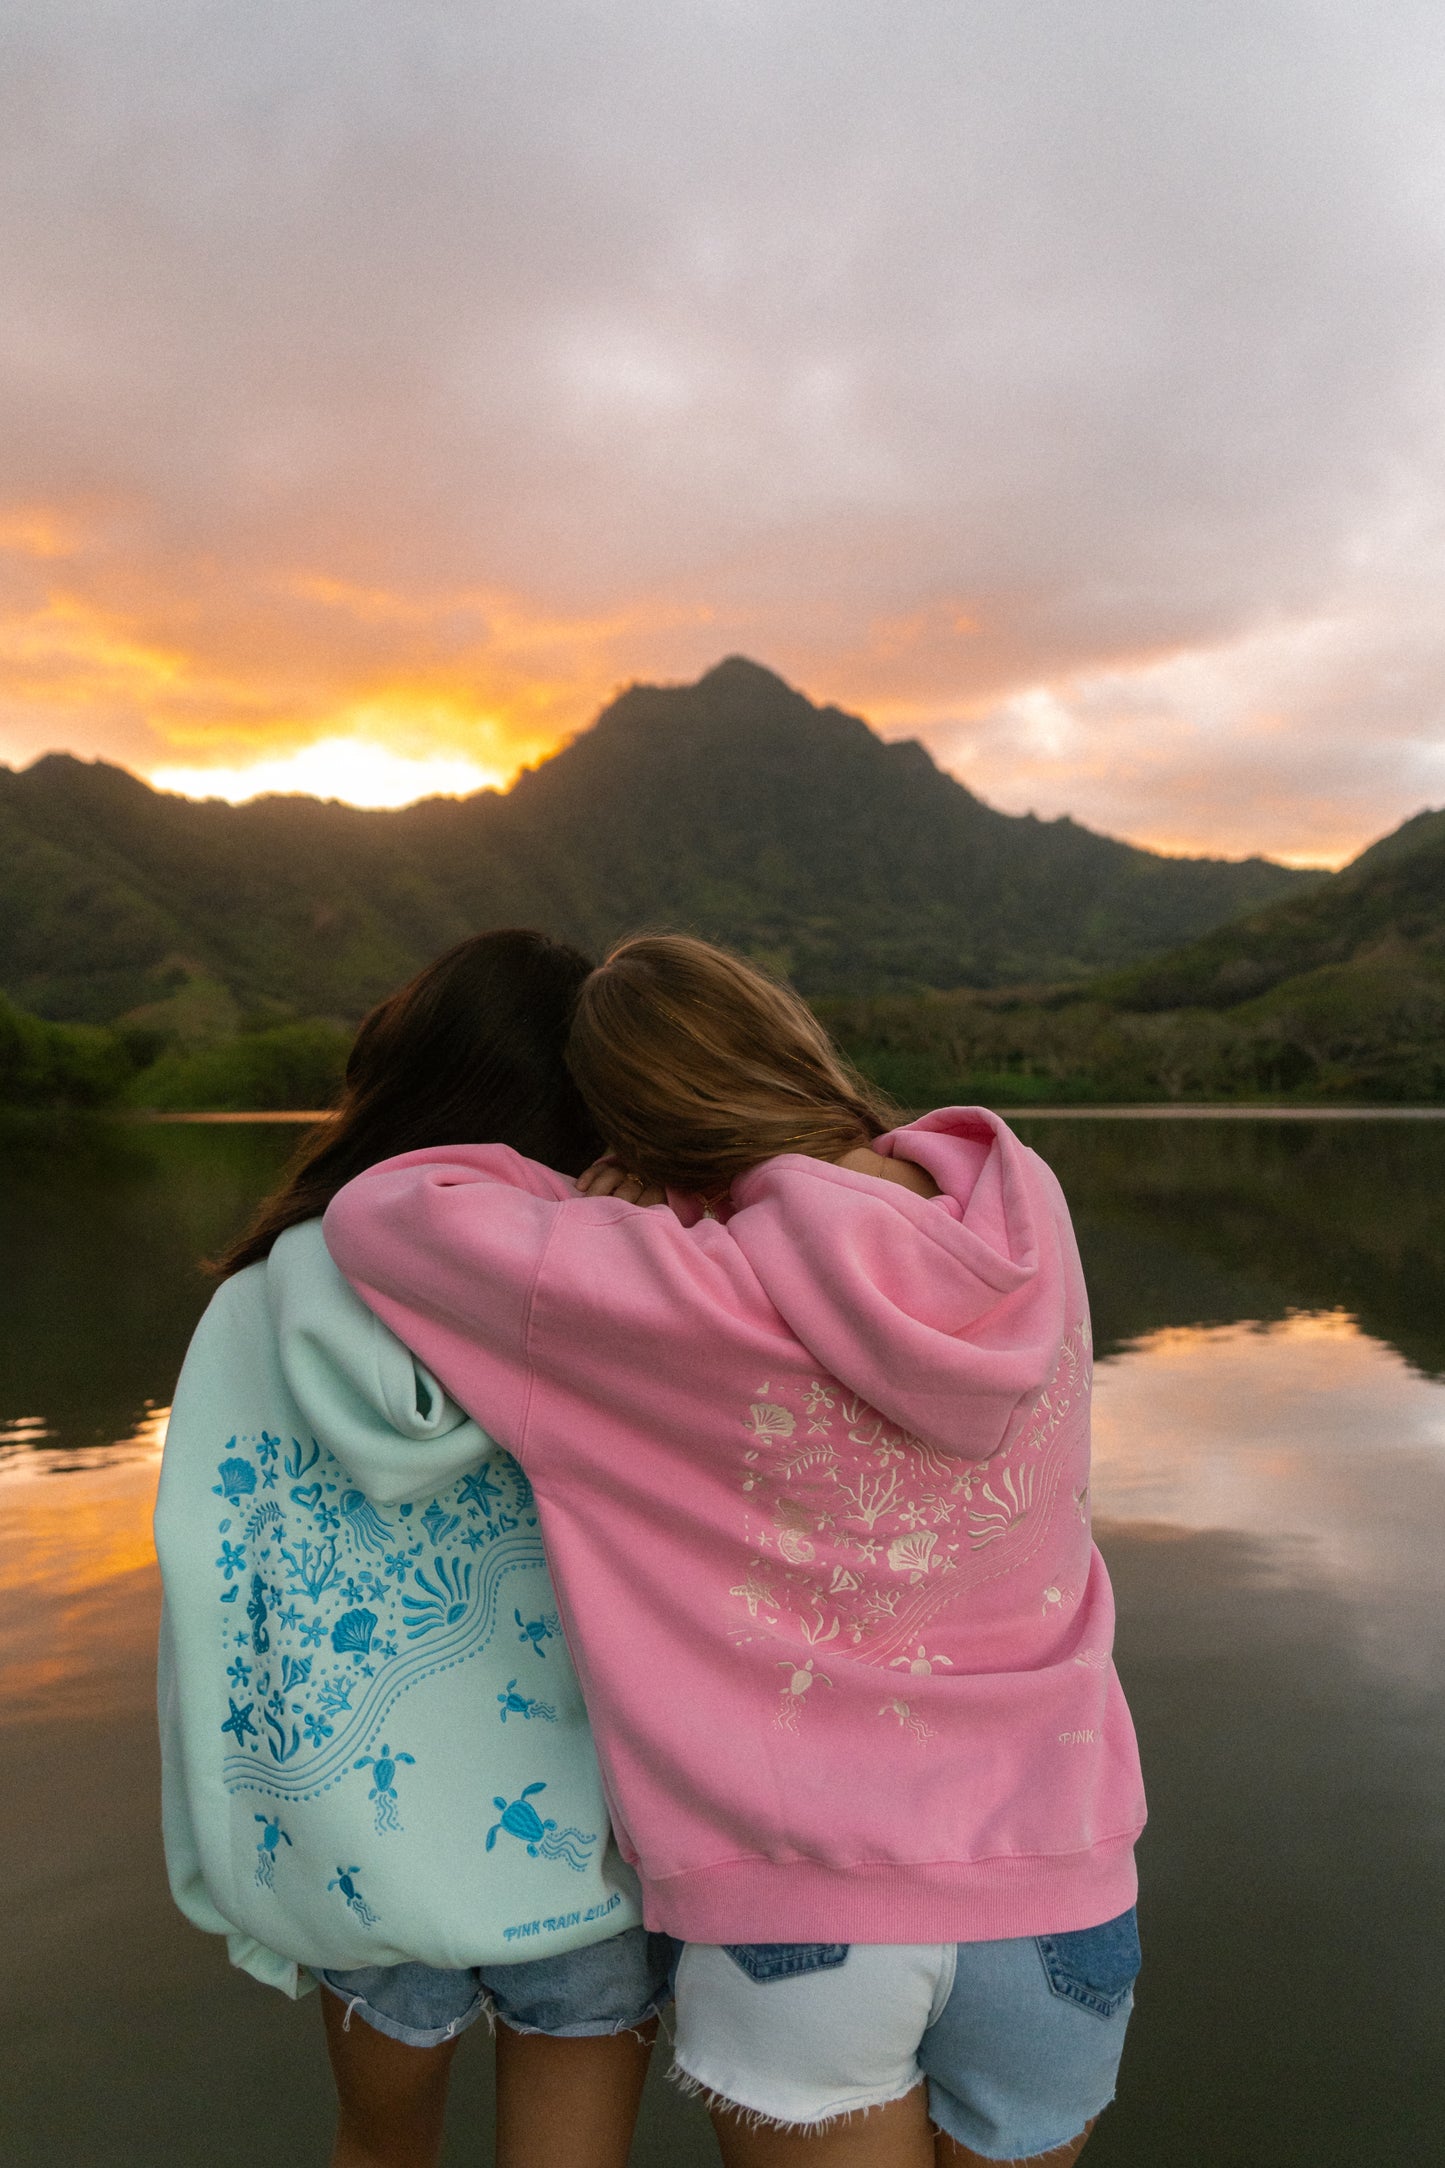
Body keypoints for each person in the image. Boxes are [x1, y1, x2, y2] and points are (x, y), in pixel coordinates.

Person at [322, 933, 1147, 2168]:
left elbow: (381, 1209)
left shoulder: (654, 1283)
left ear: (633, 1128)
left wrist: (602, 1194)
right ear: (794, 1042)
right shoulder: (1023, 1221)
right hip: (1063, 1895)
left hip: (799, 1908)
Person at [155, 930, 672, 2168]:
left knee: (377, 2148)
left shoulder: (253, 1305)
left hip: (345, 1847)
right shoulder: (617, 1286)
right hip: (583, 1838)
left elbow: (221, 1595)